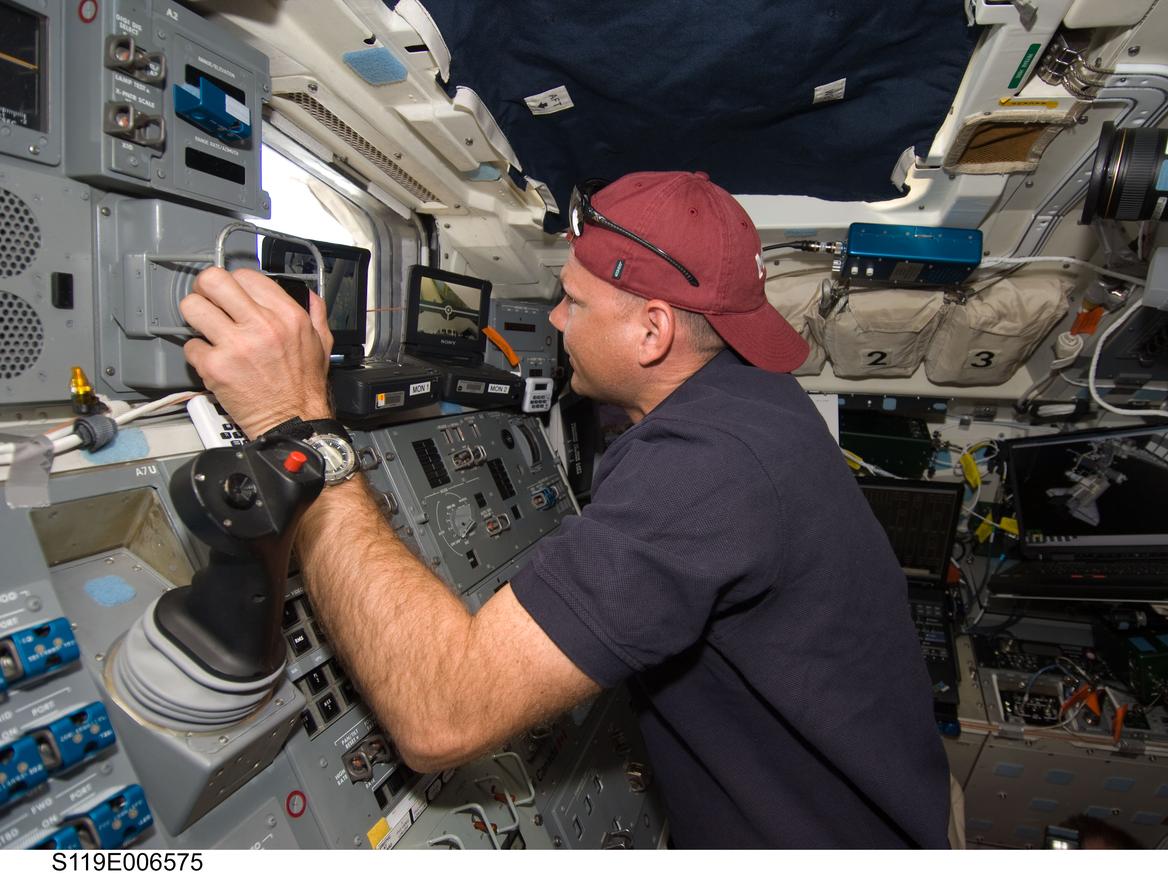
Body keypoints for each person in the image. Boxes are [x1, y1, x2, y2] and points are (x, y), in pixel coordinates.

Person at [180, 170, 951, 848]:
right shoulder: (752, 404)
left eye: (573, 302)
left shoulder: (707, 468)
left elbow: (442, 715)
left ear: (652, 330)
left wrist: (304, 431)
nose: (553, 320)